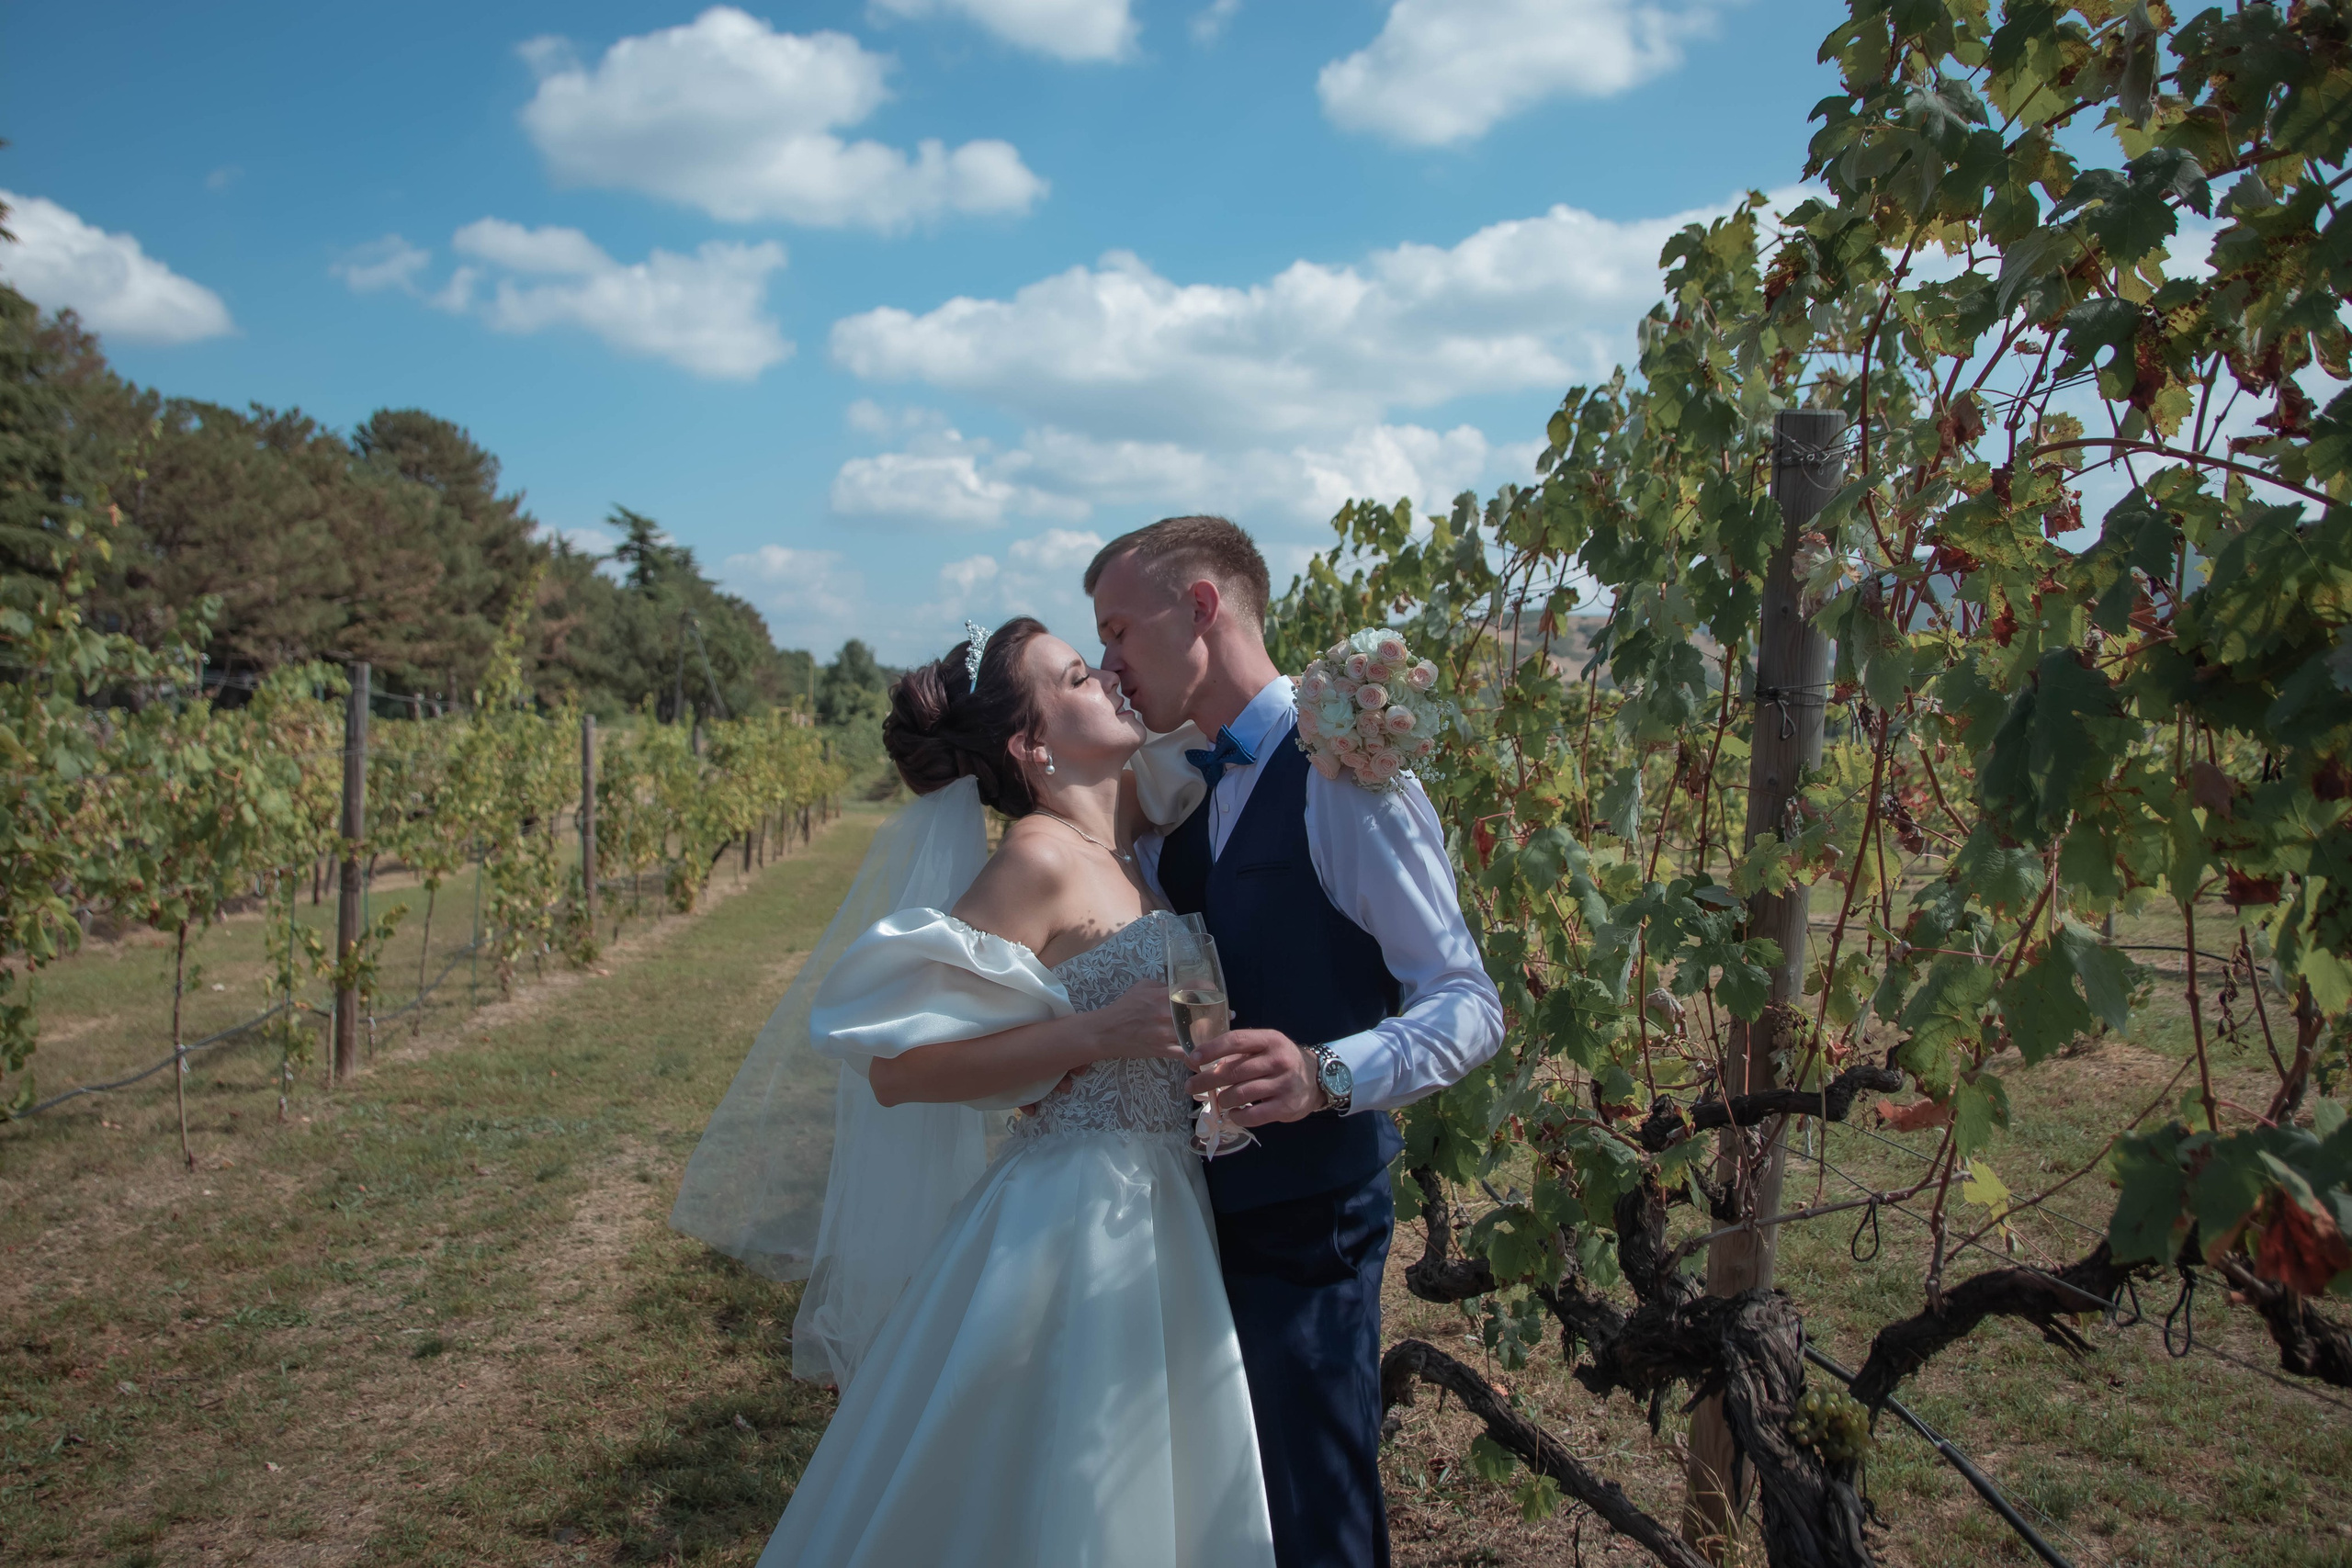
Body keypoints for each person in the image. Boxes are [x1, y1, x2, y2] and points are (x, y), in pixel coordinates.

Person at [673, 615, 1276, 1568]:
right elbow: (897, 1069)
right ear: (1031, 747)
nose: (1110, 680)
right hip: (1077, 1218)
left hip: (1166, 1200)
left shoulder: (1130, 861)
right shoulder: (1033, 861)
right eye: (1079, 676)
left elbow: (1165, 1025)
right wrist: (1085, 1036)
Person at [1088, 516, 1504, 1568]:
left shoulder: (1347, 782)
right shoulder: (1183, 782)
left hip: (1309, 1222)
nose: (1110, 667)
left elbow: (1465, 1000)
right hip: (1183, 1215)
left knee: (1312, 1511)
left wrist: (1327, 1073)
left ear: (1199, 608)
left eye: (1119, 632)